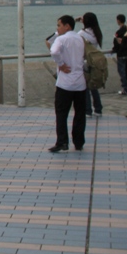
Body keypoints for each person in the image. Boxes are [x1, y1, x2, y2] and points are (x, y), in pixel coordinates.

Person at [46, 15, 87, 152]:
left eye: (59, 25)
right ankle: (79, 141)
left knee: (62, 113)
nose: (57, 28)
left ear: (67, 26)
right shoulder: (80, 38)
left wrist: (61, 64)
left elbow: (54, 51)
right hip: (80, 82)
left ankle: (62, 141)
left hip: (65, 83)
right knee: (80, 113)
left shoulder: (61, 39)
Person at [76, 12, 104, 117]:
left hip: (85, 62)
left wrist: (74, 21)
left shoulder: (81, 34)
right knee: (94, 86)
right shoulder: (97, 33)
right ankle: (98, 109)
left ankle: (87, 110)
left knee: (85, 87)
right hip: (95, 61)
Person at [112, 14, 127, 95]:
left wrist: (115, 48)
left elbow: (116, 43)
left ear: (118, 20)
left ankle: (126, 88)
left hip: (121, 54)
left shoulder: (119, 32)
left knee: (122, 72)